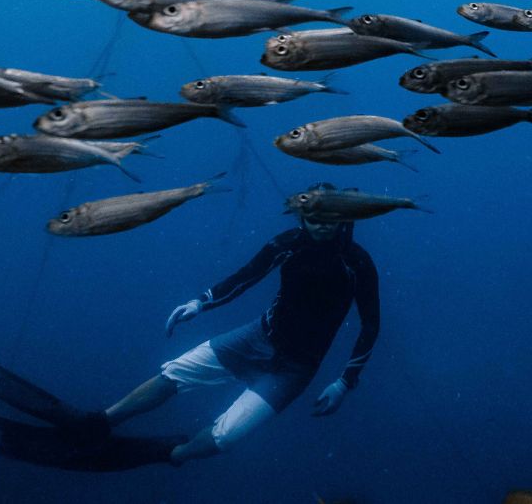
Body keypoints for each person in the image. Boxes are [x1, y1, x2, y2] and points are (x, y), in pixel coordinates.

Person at [81, 198, 380, 465]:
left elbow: (371, 324)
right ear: (301, 218)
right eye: (315, 219)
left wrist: (344, 382)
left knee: (227, 436)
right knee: (175, 372)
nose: (323, 227)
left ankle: (168, 454)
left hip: (296, 368)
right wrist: (200, 302)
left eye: (331, 219)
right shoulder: (288, 244)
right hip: (255, 337)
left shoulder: (358, 263)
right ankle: (102, 422)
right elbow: (247, 276)